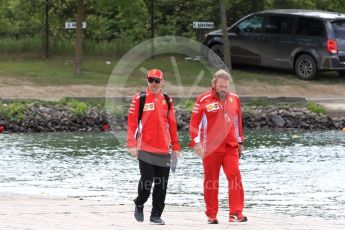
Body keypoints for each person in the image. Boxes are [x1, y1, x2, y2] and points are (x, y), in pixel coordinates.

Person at [189, 69, 247, 224]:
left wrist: (240, 142)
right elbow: (194, 124)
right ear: (214, 84)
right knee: (211, 181)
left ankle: (236, 212)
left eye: (226, 87)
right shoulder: (203, 100)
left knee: (235, 177)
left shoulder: (234, 99)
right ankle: (212, 215)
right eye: (221, 86)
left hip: (230, 146)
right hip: (211, 148)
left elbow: (237, 122)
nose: (224, 89)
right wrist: (196, 143)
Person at [127, 69, 180, 225]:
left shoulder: (168, 100)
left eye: (157, 80)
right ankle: (139, 202)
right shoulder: (139, 99)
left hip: (164, 149)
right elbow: (132, 123)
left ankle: (156, 215)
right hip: (144, 147)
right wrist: (131, 144)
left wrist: (176, 147)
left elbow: (172, 125)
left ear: (162, 81)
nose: (154, 83)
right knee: (147, 180)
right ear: (147, 81)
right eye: (151, 80)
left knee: (161, 184)